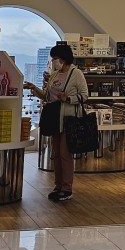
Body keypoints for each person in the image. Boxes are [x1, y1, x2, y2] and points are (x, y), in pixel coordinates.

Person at [23, 43, 89, 201]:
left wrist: (68, 98)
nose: (54, 62)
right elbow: (46, 95)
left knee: (65, 154)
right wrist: (34, 88)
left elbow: (85, 95)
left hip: (68, 119)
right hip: (54, 118)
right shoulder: (54, 74)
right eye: (53, 59)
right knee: (56, 154)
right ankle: (58, 185)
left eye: (56, 58)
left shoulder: (76, 74)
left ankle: (67, 187)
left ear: (64, 59)